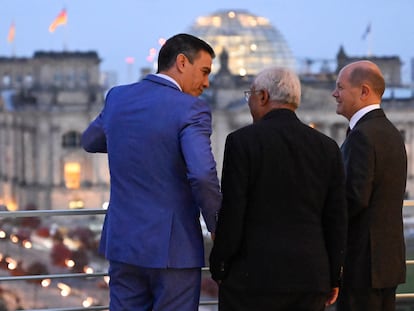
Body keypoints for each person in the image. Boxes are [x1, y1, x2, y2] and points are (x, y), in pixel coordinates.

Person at [81, 33, 222, 311]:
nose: (206, 83)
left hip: (123, 245)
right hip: (173, 250)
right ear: (182, 62)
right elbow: (202, 175)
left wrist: (132, 140)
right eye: (204, 72)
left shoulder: (118, 97)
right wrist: (218, 226)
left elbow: (90, 141)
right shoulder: (191, 108)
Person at [209, 67, 348, 310]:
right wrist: (334, 275)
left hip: (251, 279)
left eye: (249, 95)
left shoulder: (241, 141)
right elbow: (336, 220)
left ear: (263, 96)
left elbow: (233, 212)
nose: (249, 101)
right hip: (309, 278)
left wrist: (219, 265)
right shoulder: (328, 147)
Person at [333, 60, 407, 311]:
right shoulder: (390, 132)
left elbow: (354, 198)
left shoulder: (363, 136)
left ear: (363, 91)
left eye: (340, 87)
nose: (334, 94)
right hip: (386, 265)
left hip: (362, 267)